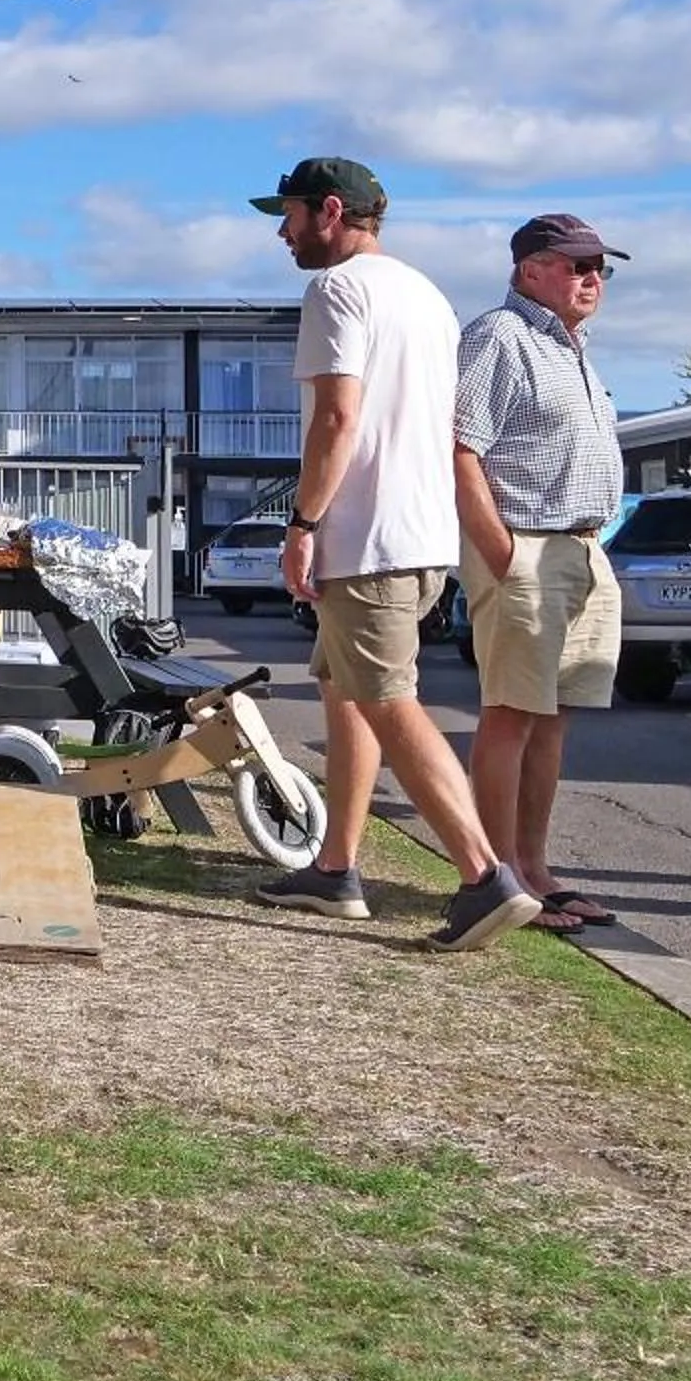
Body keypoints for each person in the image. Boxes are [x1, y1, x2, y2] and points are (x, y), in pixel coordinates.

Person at [247, 158, 543, 952]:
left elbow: (337, 420)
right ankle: (335, 868)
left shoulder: (337, 290)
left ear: (330, 210)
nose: (283, 232)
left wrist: (302, 524)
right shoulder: (427, 296)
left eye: (290, 215)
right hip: (421, 536)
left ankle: (484, 877)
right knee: (344, 688)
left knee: (386, 698)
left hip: (366, 538)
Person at [455, 214, 629, 935]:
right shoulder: (500, 336)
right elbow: (460, 448)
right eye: (576, 264)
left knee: (552, 720)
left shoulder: (573, 349)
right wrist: (502, 552)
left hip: (583, 550)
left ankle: (534, 868)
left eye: (600, 268)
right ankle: (498, 879)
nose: (592, 278)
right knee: (511, 715)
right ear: (530, 269)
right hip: (526, 546)